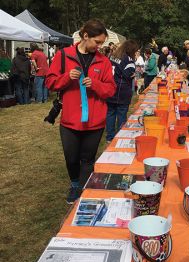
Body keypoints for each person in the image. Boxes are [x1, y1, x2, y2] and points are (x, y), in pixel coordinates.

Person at [45, 19, 116, 203]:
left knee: (88, 159)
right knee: (71, 158)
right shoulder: (63, 55)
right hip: (70, 119)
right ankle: (75, 183)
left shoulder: (104, 61)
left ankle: (84, 191)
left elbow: (110, 90)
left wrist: (96, 84)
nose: (99, 46)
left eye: (102, 43)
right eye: (97, 42)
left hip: (95, 121)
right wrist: (66, 77)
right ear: (85, 36)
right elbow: (50, 82)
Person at [106, 40, 139, 143]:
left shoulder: (112, 56)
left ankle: (110, 136)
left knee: (110, 113)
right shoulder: (128, 60)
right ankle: (120, 136)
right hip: (122, 90)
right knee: (121, 114)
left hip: (111, 87)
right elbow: (129, 75)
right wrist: (134, 74)